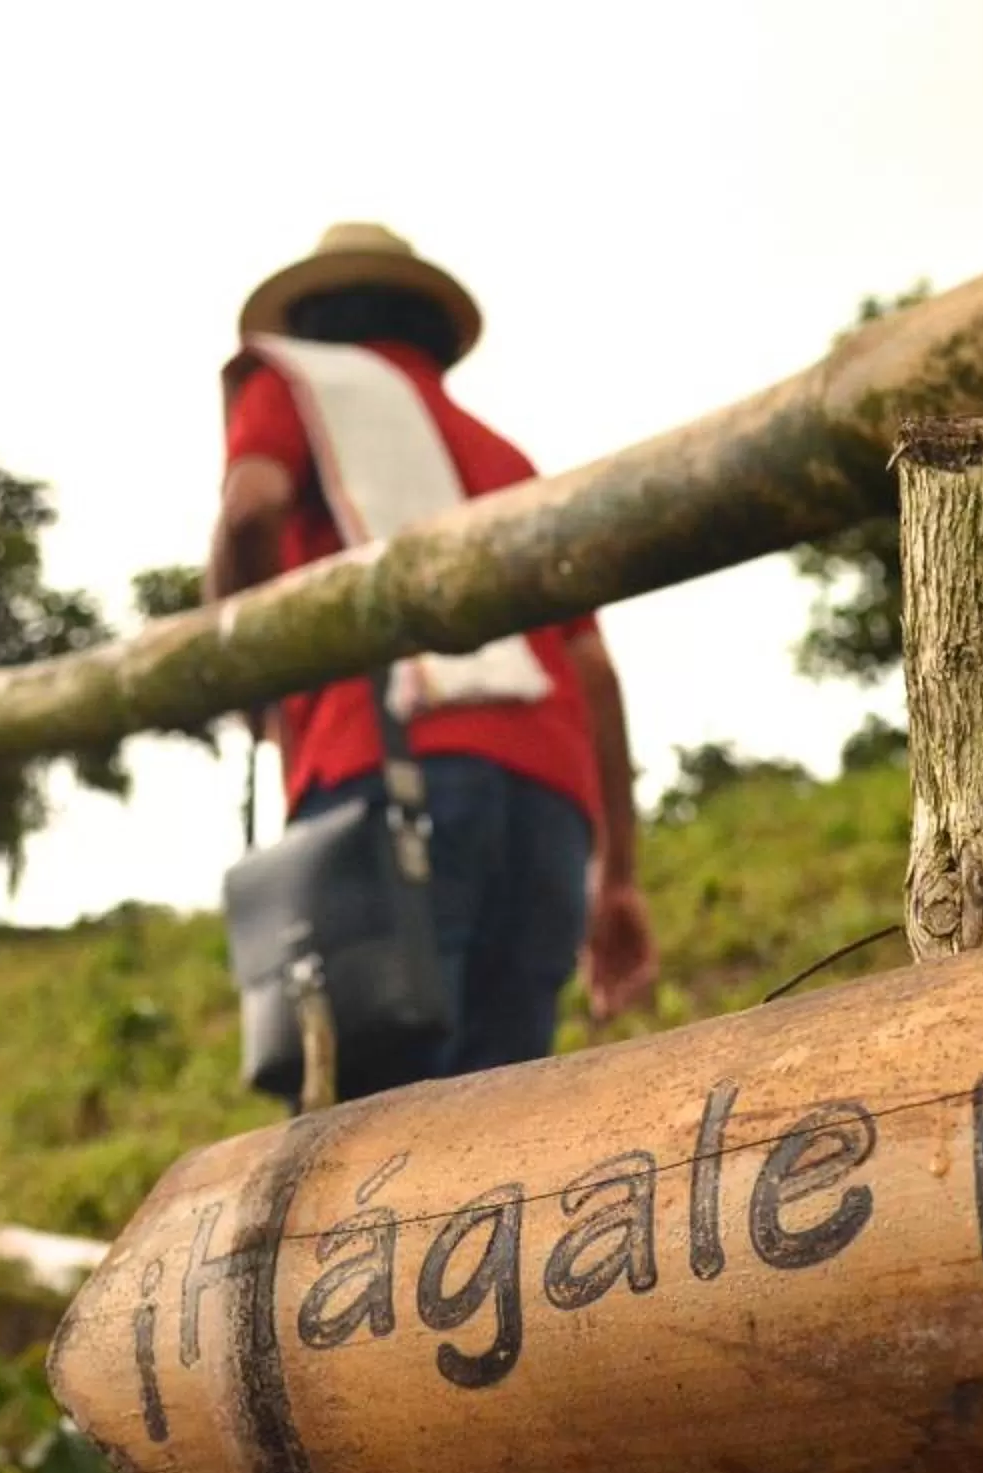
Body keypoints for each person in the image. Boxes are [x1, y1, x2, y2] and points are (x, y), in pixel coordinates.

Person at [207, 223, 658, 1092]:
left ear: (310, 323)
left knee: (365, 1132)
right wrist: (620, 878)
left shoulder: (294, 387)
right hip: (549, 810)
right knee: (495, 1130)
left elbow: (251, 506)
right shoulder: (505, 457)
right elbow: (592, 671)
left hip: (382, 779)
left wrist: (257, 677)